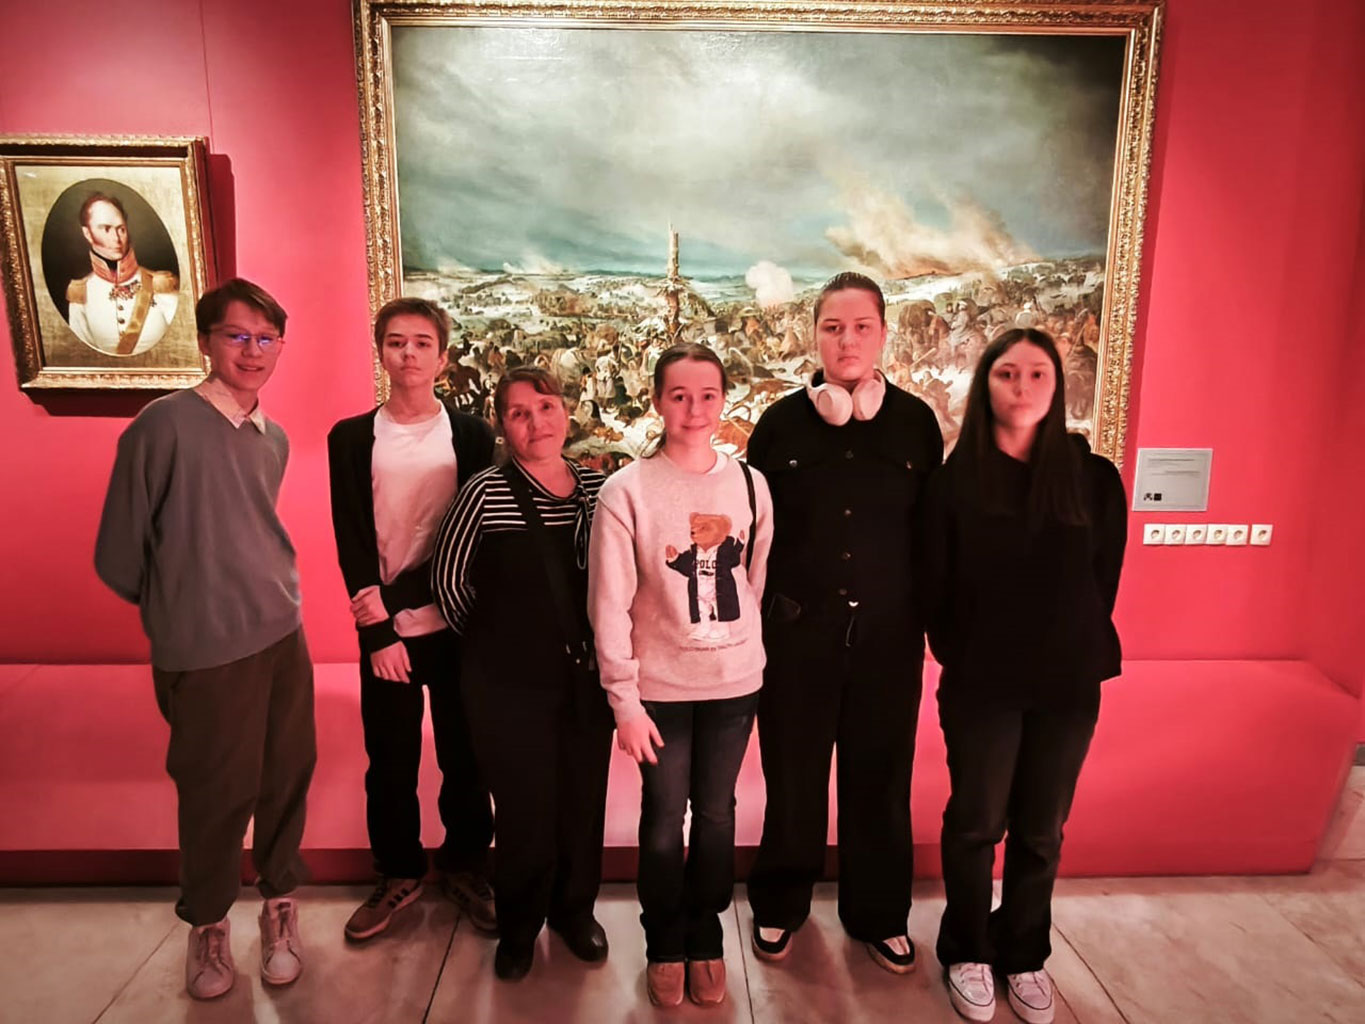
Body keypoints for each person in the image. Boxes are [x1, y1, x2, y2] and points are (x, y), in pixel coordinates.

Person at [94, 278, 312, 1000]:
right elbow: (119, 553)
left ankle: (280, 907)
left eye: (266, 338)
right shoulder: (163, 425)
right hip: (207, 647)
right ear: (205, 340)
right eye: (236, 335)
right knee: (217, 793)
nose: (252, 351)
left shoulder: (271, 436)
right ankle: (210, 923)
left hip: (281, 632)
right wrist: (182, 612)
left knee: (286, 777)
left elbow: (253, 529)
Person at [919, 328, 1126, 1024]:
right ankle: (967, 950)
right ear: (985, 385)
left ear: (1057, 387)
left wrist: (1064, 642)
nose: (1022, 387)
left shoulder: (1092, 479)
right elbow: (935, 590)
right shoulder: (953, 483)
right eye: (1007, 373)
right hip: (982, 684)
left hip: (1067, 683)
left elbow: (1102, 581)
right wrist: (968, 651)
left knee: (1041, 830)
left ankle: (1024, 952)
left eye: (1037, 374)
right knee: (977, 822)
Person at [745, 272, 943, 972]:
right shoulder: (778, 425)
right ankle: (779, 904)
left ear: (883, 334)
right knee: (792, 779)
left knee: (880, 782)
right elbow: (752, 536)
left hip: (889, 640)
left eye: (861, 327)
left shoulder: (917, 424)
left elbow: (933, 536)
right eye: (833, 327)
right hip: (796, 638)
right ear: (815, 336)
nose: (847, 340)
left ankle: (879, 914)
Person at [589, 343, 773, 1009]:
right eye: (679, 395)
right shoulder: (626, 491)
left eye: (707, 395)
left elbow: (754, 581)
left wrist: (731, 648)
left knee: (718, 814)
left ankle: (706, 935)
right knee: (665, 817)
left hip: (733, 685)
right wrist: (624, 700)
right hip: (659, 691)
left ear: (723, 401)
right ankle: (664, 940)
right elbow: (608, 602)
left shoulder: (750, 484)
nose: (694, 409)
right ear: (657, 401)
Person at [430, 367, 613, 982]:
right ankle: (519, 926)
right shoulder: (484, 492)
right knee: (523, 807)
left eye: (546, 407)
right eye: (518, 413)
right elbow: (449, 583)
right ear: (502, 426)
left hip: (586, 678)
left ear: (566, 411)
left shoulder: (598, 490)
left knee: (582, 802)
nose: (536, 423)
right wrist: (497, 646)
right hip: (506, 685)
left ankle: (575, 912)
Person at [326, 297, 496, 942]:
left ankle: (465, 865)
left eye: (423, 343)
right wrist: (377, 631)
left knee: (464, 755)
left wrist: (401, 600)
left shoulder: (471, 435)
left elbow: (470, 536)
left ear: (443, 357)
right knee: (390, 759)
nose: (409, 354)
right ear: (381, 352)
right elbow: (351, 535)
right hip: (386, 633)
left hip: (455, 623)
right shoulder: (351, 437)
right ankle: (398, 870)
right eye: (397, 341)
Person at [66, 192, 178, 356]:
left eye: (121, 229)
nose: (117, 239)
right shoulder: (81, 292)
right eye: (106, 229)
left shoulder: (159, 284)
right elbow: (82, 357)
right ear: (87, 233)